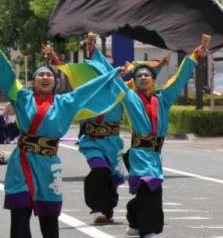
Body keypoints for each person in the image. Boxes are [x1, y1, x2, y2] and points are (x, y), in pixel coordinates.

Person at [0, 40, 123, 238]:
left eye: (49, 75)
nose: (46, 78)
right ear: (34, 81)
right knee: (20, 206)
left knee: (49, 207)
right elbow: (5, 75)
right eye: (41, 75)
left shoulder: (65, 102)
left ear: (54, 81)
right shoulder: (22, 97)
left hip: (48, 162)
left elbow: (88, 90)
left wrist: (113, 74)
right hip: (23, 160)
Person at [44, 37, 170, 226]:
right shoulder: (90, 90)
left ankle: (108, 210)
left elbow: (144, 79)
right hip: (91, 140)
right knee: (99, 170)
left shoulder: (122, 89)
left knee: (112, 177)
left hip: (112, 142)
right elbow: (68, 69)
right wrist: (54, 56)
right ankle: (98, 209)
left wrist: (160, 65)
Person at [112, 36, 209, 238]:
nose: (144, 78)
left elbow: (180, 78)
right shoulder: (130, 98)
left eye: (147, 75)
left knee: (147, 190)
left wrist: (193, 58)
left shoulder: (163, 99)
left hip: (155, 154)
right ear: (135, 82)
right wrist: (123, 72)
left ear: (153, 80)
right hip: (139, 152)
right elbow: (114, 84)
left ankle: (135, 219)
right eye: (140, 76)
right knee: (151, 188)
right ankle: (150, 230)